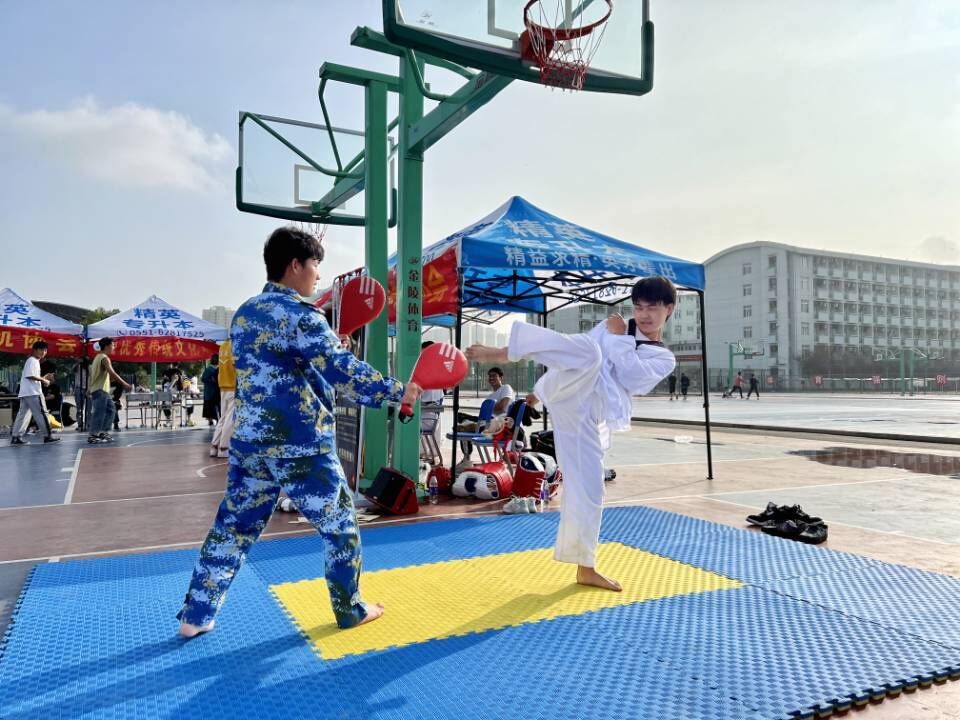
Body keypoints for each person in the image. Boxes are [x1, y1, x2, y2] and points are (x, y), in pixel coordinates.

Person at [177, 226, 421, 638]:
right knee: (341, 526)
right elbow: (343, 373)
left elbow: (283, 367)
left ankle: (195, 616)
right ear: (295, 265)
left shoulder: (245, 313)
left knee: (232, 529)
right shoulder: (303, 316)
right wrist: (399, 391)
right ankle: (350, 608)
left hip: (251, 443)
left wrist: (327, 347)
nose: (318, 277)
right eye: (315, 266)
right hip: (300, 443)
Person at [466, 276, 676, 592]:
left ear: (669, 309)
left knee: (590, 489)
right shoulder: (612, 326)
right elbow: (566, 352)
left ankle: (585, 567)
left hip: (587, 417)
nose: (644, 314)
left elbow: (633, 378)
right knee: (588, 350)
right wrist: (535, 396)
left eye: (652, 308)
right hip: (569, 391)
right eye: (639, 306)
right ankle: (505, 352)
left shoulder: (663, 357)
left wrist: (619, 339)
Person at [10, 341, 60, 446]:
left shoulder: (31, 361)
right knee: (42, 413)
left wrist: (44, 378)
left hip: (26, 393)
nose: (44, 352)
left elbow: (32, 376)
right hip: (33, 393)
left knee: (23, 415)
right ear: (35, 350)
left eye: (45, 350)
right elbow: (30, 375)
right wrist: (44, 380)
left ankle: (16, 436)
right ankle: (48, 436)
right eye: (41, 350)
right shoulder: (33, 360)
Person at [87, 338, 131, 444]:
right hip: (100, 390)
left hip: (101, 390)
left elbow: (97, 375)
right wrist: (124, 384)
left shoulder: (98, 357)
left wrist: (90, 388)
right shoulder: (104, 358)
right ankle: (93, 435)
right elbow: (112, 373)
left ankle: (103, 432)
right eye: (113, 345)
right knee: (99, 413)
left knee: (111, 410)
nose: (114, 347)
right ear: (106, 346)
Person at [210, 341, 236, 458]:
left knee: (223, 417)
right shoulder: (235, 345)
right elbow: (237, 365)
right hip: (232, 385)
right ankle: (223, 448)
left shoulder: (223, 346)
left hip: (223, 386)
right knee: (229, 418)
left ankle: (214, 446)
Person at [201, 355, 220, 427]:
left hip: (214, 391)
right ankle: (211, 420)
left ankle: (214, 420)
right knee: (211, 406)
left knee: (214, 406)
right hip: (210, 391)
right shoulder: (209, 369)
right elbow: (203, 379)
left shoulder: (216, 369)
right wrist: (212, 381)